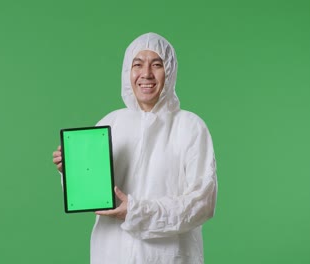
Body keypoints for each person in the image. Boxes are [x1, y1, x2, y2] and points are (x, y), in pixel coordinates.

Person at [52, 32, 217, 264]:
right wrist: (73, 171)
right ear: (127, 72)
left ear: (169, 71)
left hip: (168, 257)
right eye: (137, 64)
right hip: (111, 253)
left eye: (156, 64)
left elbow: (202, 202)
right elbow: (95, 194)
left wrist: (137, 211)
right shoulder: (110, 123)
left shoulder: (190, 127)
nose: (146, 74)